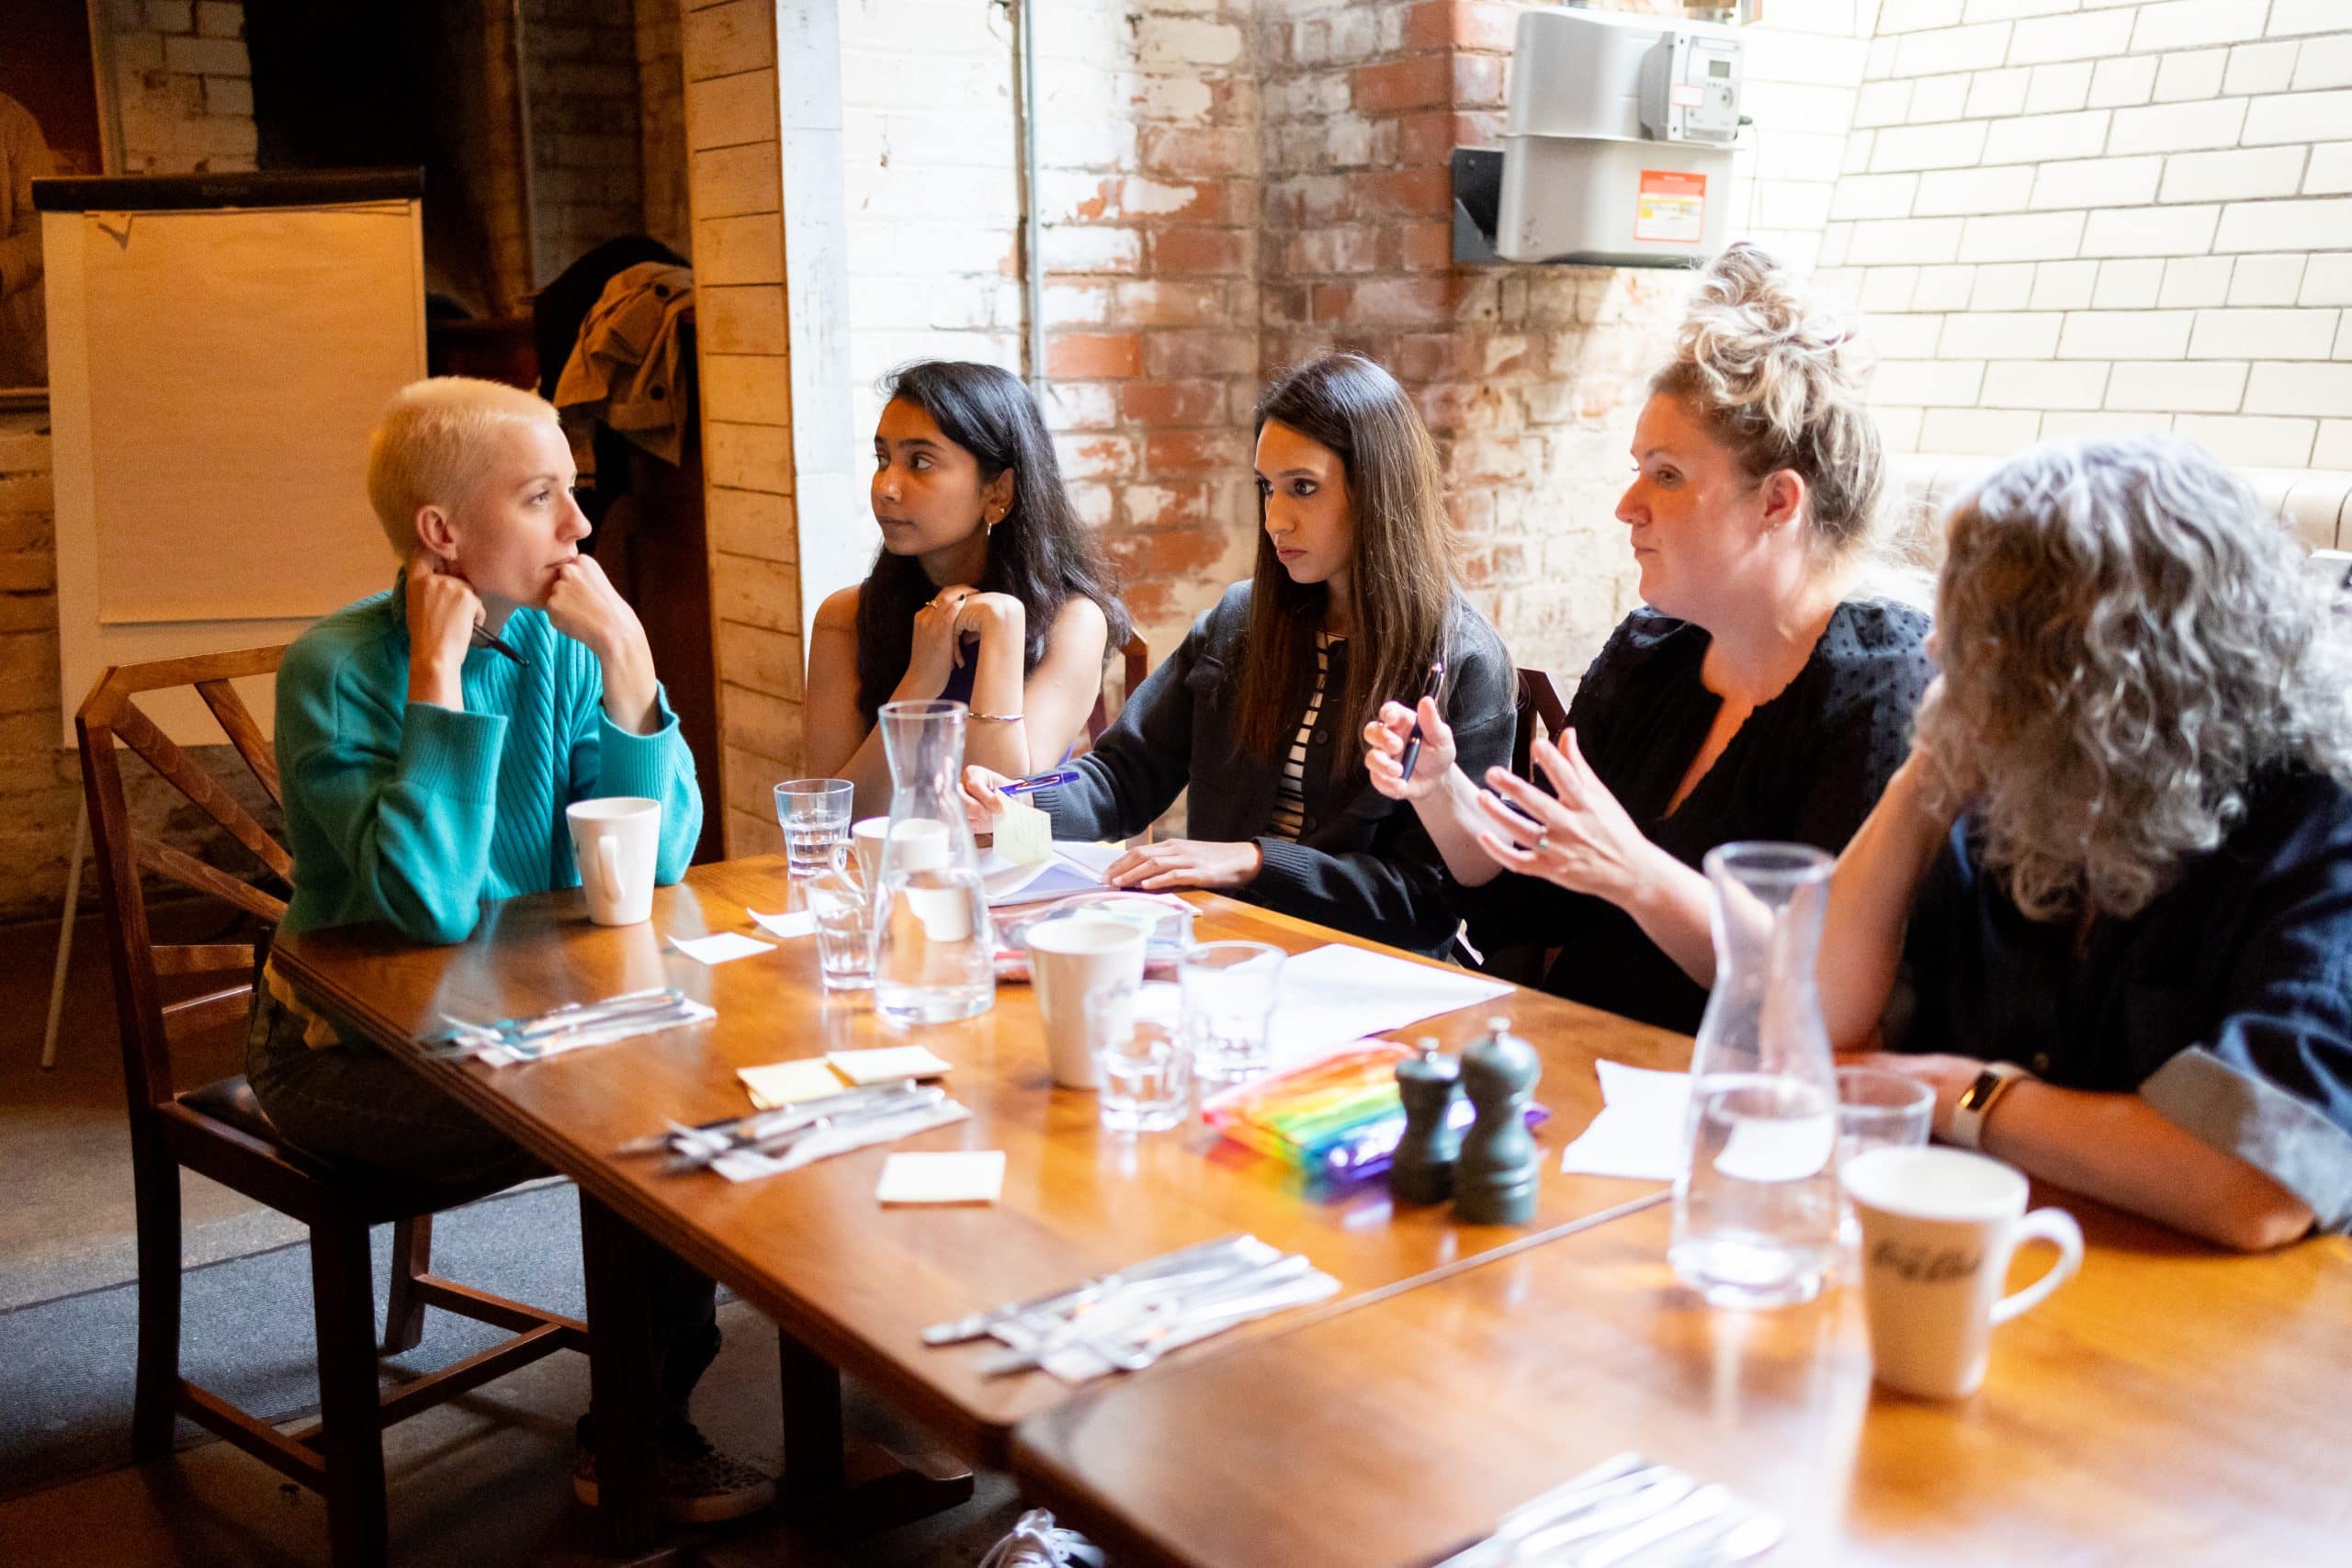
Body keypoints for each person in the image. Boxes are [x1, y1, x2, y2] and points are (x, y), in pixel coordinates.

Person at [244, 377, 770, 1520]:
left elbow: (654, 868)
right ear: (443, 533)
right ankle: (644, 1447)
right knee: (643, 1133)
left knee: (704, 1104)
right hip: (343, 1056)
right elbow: (425, 909)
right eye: (542, 498)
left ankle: (637, 1425)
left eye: (572, 495)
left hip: (532, 1028)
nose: (580, 528)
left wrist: (630, 669)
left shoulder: (561, 646)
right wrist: (439, 681)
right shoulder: (334, 669)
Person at [1361, 244, 1931, 1030]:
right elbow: (1532, 893)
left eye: (1665, 474)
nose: (1628, 505)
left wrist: (1634, 871)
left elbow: (1822, 996)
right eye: (1638, 469)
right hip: (1582, 1057)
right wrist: (1441, 790)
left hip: (1726, 1098)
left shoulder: (1885, 685)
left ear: (1777, 502)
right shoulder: (1651, 653)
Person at [1820, 435, 2352, 1252]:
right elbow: (1821, 1021)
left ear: (2093, 671)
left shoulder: (2318, 824)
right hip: (2025, 1264)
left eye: (1976, 628)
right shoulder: (2026, 789)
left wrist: (1968, 1097)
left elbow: (2264, 1184)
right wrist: (1920, 782)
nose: (1934, 650)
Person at [967, 352, 1515, 954]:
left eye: (1303, 488)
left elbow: (1424, 902)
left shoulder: (1462, 661)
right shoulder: (1240, 622)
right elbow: (1122, 780)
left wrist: (1253, 861)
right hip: (1223, 951)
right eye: (1266, 488)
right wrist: (1011, 811)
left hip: (1367, 979)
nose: (1274, 518)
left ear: (1378, 490)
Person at [804, 360, 1127, 813]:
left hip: (1021, 880)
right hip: (886, 876)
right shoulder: (845, 617)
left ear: (998, 492)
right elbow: (827, 815)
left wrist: (1003, 630)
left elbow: (1000, 812)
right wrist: (919, 683)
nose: (886, 488)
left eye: (920, 462)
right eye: (883, 460)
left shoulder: (1072, 621)